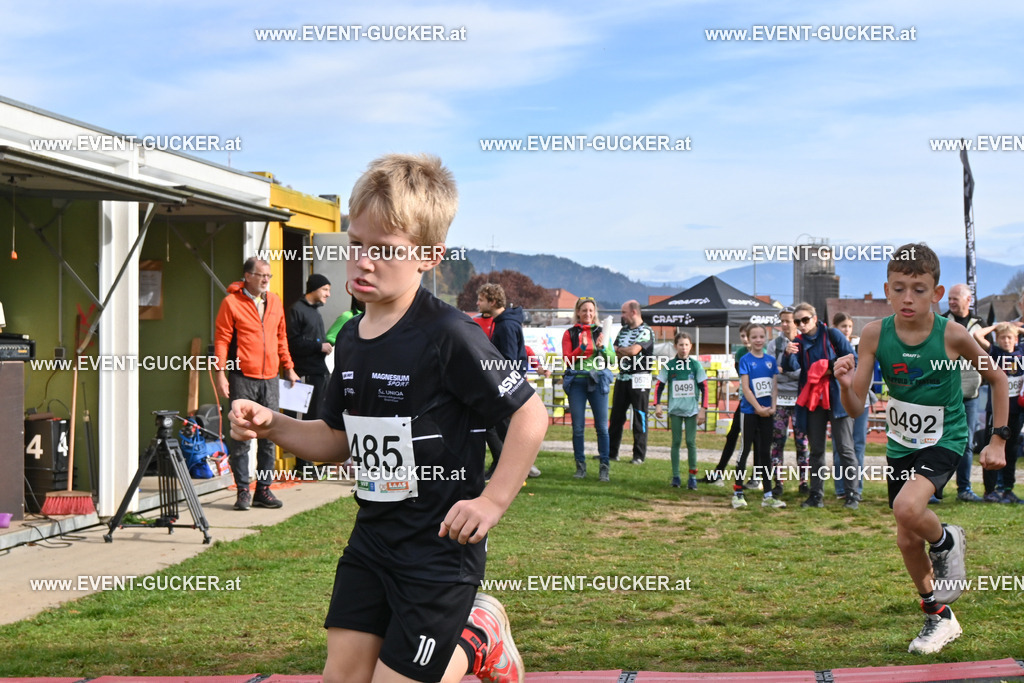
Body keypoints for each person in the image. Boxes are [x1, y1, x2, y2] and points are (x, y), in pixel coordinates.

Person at [230, 154, 548, 683]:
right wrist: (273, 424)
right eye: (356, 244)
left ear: (429, 256)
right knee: (343, 678)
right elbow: (337, 439)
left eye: (385, 251)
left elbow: (530, 416)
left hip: (440, 550)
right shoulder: (350, 337)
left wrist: (492, 500)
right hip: (373, 539)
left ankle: (480, 635)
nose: (364, 262)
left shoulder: (450, 334)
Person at [836, 242, 1007, 655]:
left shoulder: (952, 334)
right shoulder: (875, 335)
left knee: (908, 509)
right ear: (886, 290)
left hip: (944, 438)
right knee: (907, 539)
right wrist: (845, 386)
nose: (907, 297)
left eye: (918, 288)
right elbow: (857, 406)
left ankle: (948, 540)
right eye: (898, 289)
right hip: (901, 445)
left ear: (936, 291)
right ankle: (938, 616)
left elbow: (998, 379)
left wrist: (998, 438)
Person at [214, 256, 300, 510]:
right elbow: (221, 339)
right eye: (262, 275)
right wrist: (220, 372)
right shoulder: (231, 303)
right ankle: (242, 491)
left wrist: (290, 368)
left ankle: (263, 490)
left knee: (269, 435)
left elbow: (281, 336)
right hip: (243, 377)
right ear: (247, 276)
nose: (266, 280)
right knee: (242, 434)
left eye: (269, 276)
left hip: (271, 378)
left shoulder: (274, 301)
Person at [782, 303, 858, 509]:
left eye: (805, 320)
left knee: (844, 448)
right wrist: (787, 354)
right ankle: (816, 495)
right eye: (797, 322)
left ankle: (852, 494)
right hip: (813, 400)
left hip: (837, 397)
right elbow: (790, 368)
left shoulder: (832, 334)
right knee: (816, 450)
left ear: (815, 319)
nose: (801, 325)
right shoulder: (797, 342)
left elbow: (853, 358)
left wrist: (828, 367)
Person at [475, 283, 541, 479]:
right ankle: (515, 465)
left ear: (493, 302)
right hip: (507, 382)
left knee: (496, 426)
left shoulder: (505, 325)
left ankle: (518, 465)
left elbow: (509, 359)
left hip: (506, 384)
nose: (477, 303)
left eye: (481, 300)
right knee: (498, 426)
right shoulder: (505, 322)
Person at [940, 284, 985, 502]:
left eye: (955, 298)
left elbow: (987, 353)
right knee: (939, 441)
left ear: (968, 300)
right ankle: (933, 489)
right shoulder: (941, 322)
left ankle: (964, 489)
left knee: (966, 443)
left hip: (970, 394)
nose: (951, 302)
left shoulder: (980, 325)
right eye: (949, 299)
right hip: (944, 394)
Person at [562, 296, 614, 481]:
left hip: (598, 381)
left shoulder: (602, 332)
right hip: (577, 382)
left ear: (595, 313)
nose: (588, 314)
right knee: (578, 428)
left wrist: (602, 348)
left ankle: (604, 467)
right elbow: (568, 360)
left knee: (602, 427)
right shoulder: (570, 333)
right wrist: (582, 348)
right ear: (578, 312)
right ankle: (580, 467)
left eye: (591, 310)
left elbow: (612, 360)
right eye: (584, 310)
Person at [972, 321, 1024, 503]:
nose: (1006, 341)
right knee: (991, 447)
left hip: (1016, 409)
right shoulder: (994, 352)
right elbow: (977, 336)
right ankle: (990, 490)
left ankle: (1008, 489)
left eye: (1009, 337)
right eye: (1002, 337)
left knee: (1011, 450)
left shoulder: (1021, 353)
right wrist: (996, 327)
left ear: (1016, 339)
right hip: (995, 409)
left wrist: (1016, 327)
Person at [286, 273, 333, 475]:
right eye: (325, 290)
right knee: (303, 421)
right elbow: (293, 342)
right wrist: (318, 346)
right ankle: (302, 464)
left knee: (316, 419)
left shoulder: (315, 312)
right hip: (304, 375)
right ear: (313, 288)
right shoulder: (297, 310)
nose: (328, 295)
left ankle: (311, 462)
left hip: (319, 373)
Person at [733, 324, 784, 509]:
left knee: (765, 453)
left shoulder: (770, 361)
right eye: (754, 337)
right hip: (749, 412)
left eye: (761, 336)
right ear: (748, 338)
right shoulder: (745, 360)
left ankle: (768, 495)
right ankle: (738, 492)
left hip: (767, 413)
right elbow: (745, 388)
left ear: (766, 337)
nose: (758, 340)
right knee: (745, 450)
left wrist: (772, 407)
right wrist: (758, 408)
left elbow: (774, 386)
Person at [654, 332, 707, 489]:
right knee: (676, 442)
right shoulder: (669, 366)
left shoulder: (696, 365)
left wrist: (703, 409)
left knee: (691, 442)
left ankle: (692, 477)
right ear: (675, 346)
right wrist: (657, 404)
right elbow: (659, 385)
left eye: (686, 345)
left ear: (691, 346)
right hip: (675, 410)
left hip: (691, 411)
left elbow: (704, 387)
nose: (684, 348)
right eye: (681, 345)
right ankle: (676, 476)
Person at [702, 323, 751, 484]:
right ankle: (718, 472)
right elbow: (741, 377)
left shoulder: (762, 353)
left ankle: (756, 477)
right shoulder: (741, 353)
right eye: (742, 336)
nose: (745, 339)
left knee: (755, 440)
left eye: (747, 336)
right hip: (745, 401)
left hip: (758, 403)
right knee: (732, 435)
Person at [768, 308, 809, 497]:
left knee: (802, 441)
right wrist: (784, 369)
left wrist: (786, 369)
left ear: (796, 322)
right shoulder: (773, 345)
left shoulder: (805, 342)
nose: (785, 325)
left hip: (800, 398)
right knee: (777, 441)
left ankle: (804, 481)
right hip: (780, 398)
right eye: (782, 321)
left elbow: (805, 372)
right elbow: (773, 371)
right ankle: (779, 482)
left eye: (788, 321)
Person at [608, 300, 655, 464]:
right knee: (616, 417)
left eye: (623, 312)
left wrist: (621, 351)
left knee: (639, 417)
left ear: (633, 312)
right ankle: (611, 452)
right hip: (623, 377)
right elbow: (612, 351)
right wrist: (621, 352)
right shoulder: (623, 331)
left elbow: (634, 351)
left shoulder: (646, 331)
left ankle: (638, 455)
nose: (621, 316)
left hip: (640, 377)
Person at [831, 312, 868, 503]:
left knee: (858, 445)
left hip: (862, 400)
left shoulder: (861, 346)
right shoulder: (830, 348)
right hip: (839, 401)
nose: (846, 330)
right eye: (842, 326)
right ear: (835, 328)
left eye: (849, 326)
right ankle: (841, 488)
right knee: (840, 447)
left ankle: (856, 488)